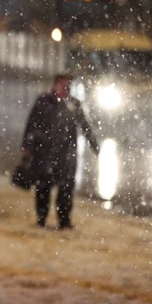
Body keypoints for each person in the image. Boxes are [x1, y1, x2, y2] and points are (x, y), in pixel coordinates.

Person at [21, 73, 99, 229]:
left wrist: (94, 145)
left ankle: (64, 221)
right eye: (64, 86)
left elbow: (85, 125)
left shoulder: (74, 104)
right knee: (43, 188)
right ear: (55, 85)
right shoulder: (43, 101)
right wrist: (27, 146)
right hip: (44, 153)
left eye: (68, 87)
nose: (66, 89)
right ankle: (41, 219)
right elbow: (32, 124)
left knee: (65, 189)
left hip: (66, 155)